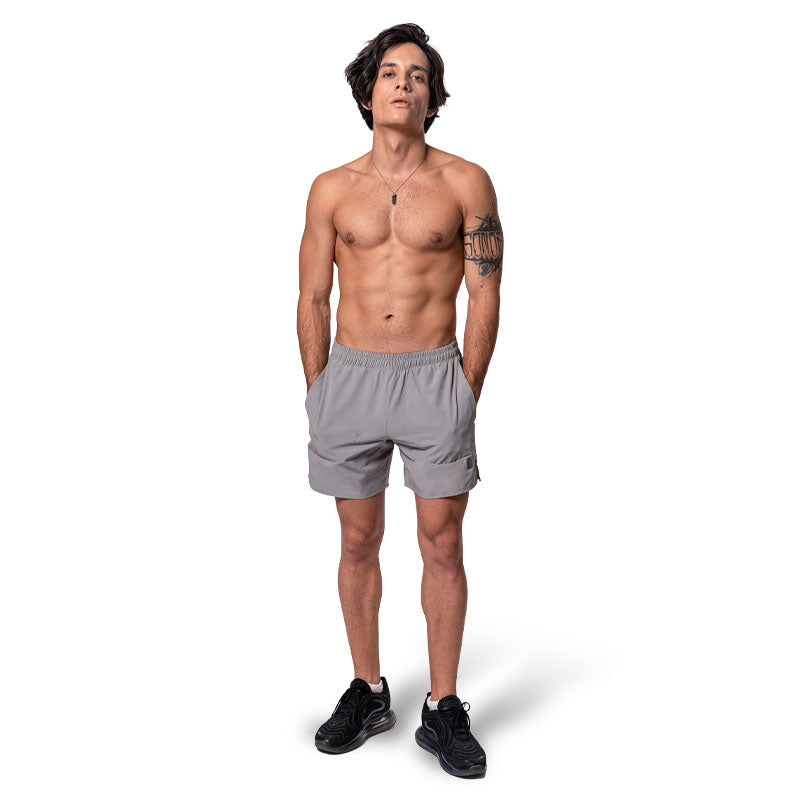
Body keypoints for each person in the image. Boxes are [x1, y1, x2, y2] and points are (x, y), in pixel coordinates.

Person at [296, 23, 502, 779]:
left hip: (433, 375)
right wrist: (319, 389)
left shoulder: (466, 182)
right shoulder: (330, 188)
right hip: (349, 377)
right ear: (367, 92)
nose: (404, 84)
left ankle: (442, 707)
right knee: (357, 541)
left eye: (418, 75)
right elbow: (312, 296)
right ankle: (369, 689)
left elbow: (486, 293)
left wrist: (465, 388)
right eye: (390, 72)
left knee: (442, 543)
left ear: (433, 98)